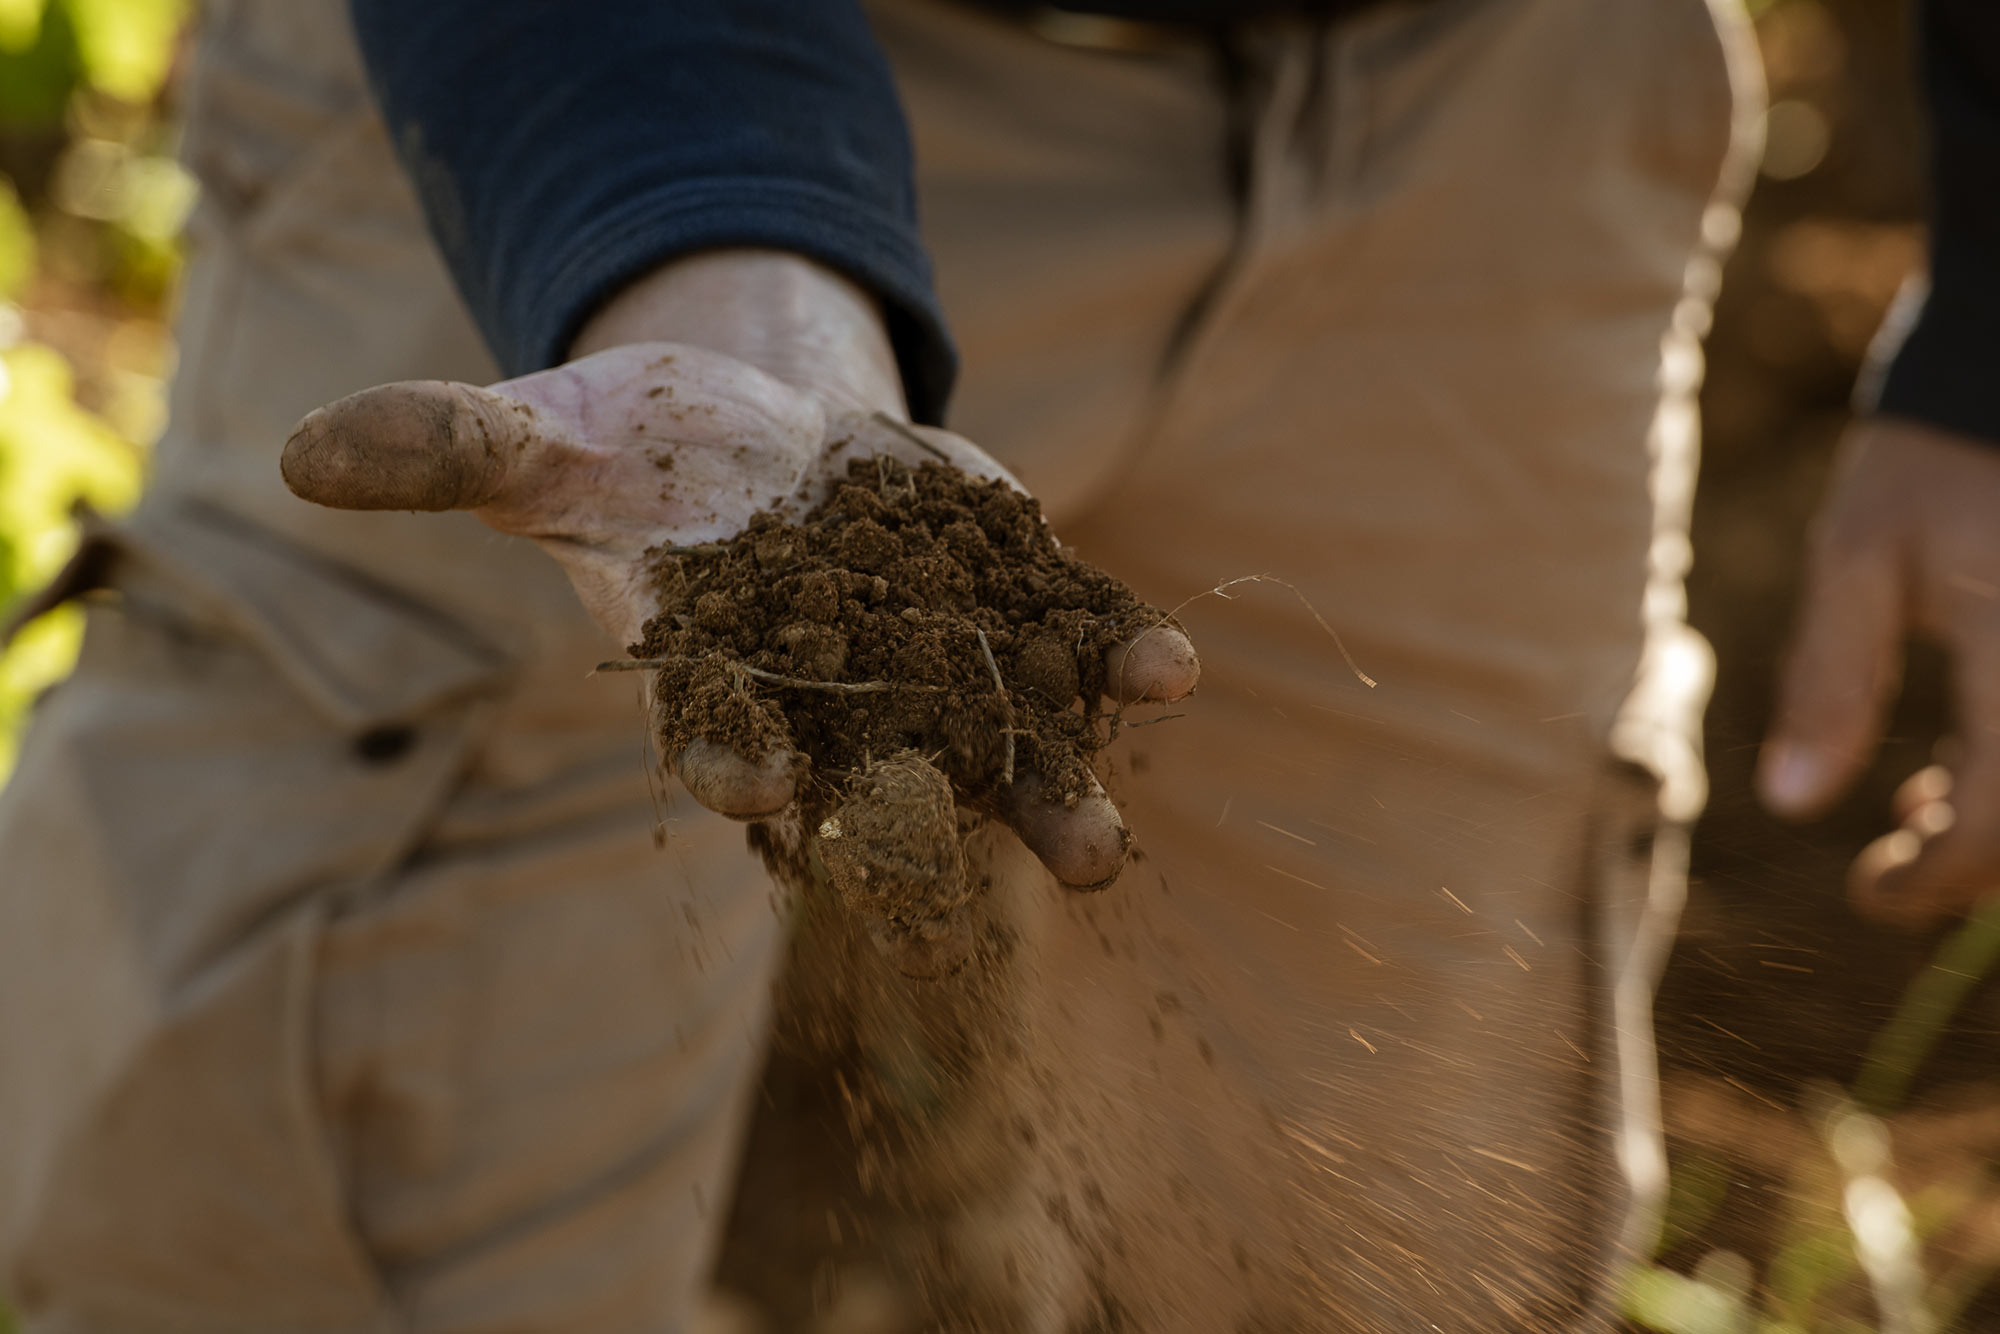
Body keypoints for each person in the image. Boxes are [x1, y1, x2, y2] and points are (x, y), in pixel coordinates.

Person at [0, 1, 1995, 1330]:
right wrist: (716, 250)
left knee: (1389, 1230)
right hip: (611, 92)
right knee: (293, 1219)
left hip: (1500, 98)